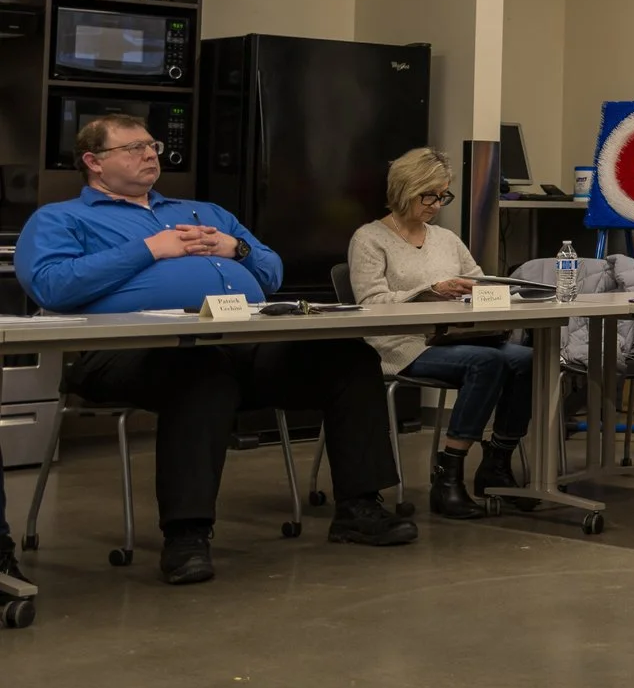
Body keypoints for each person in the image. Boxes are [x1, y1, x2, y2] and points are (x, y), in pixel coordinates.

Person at [19, 114, 416, 584]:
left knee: (347, 356)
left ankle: (358, 508)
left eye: (152, 146)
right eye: (133, 149)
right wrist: (150, 249)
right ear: (93, 162)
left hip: (241, 342)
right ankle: (186, 535)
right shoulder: (61, 218)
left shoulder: (204, 211)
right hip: (123, 351)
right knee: (200, 371)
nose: (150, 155)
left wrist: (236, 249)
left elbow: (272, 273)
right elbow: (50, 286)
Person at [348, 148, 532, 520]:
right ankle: (448, 477)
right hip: (400, 344)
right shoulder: (369, 239)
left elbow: (480, 278)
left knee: (527, 359)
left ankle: (496, 460)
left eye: (441, 195)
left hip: (454, 338)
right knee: (487, 362)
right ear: (403, 190)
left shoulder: (446, 239)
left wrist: (487, 292)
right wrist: (430, 290)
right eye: (427, 195)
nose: (435, 204)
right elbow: (371, 302)